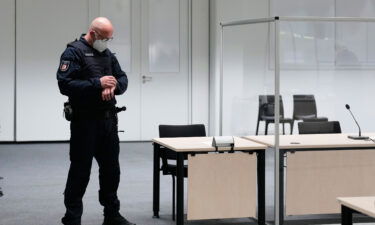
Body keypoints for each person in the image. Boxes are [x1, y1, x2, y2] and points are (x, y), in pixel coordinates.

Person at [57, 17, 135, 225]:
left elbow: (123, 78)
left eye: (110, 39)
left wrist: (113, 86)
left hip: (108, 123)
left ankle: (112, 214)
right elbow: (65, 84)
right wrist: (97, 83)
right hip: (85, 123)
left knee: (111, 171)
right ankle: (72, 218)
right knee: (80, 171)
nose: (107, 43)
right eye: (104, 38)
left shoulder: (107, 54)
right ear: (93, 34)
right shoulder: (73, 52)